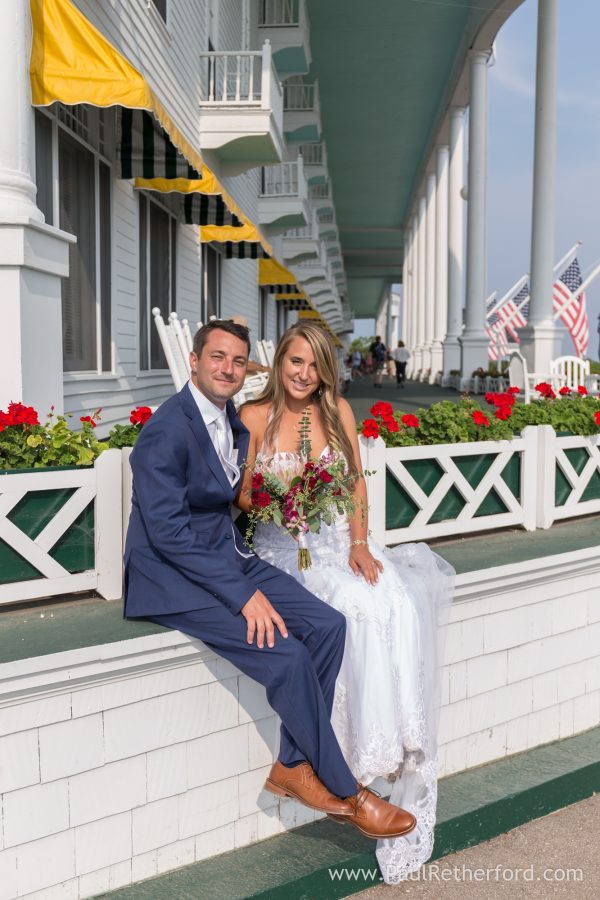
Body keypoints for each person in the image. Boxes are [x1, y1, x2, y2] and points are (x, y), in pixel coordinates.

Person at [124, 318, 416, 842]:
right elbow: (169, 538)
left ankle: (290, 765)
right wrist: (244, 596)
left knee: (327, 625)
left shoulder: (228, 420)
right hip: (173, 580)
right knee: (288, 656)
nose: (228, 369)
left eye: (237, 361)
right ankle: (348, 792)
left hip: (229, 557)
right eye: (217, 358)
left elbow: (234, 497)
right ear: (194, 361)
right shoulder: (164, 432)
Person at [237, 322, 454, 884]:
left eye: (314, 365)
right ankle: (353, 759)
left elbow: (355, 482)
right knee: (350, 608)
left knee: (395, 596)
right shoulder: (255, 418)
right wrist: (273, 495)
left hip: (336, 538)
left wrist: (359, 542)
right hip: (285, 549)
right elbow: (237, 492)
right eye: (295, 362)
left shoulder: (336, 413)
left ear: (325, 368)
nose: (303, 374)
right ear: (280, 362)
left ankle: (400, 742)